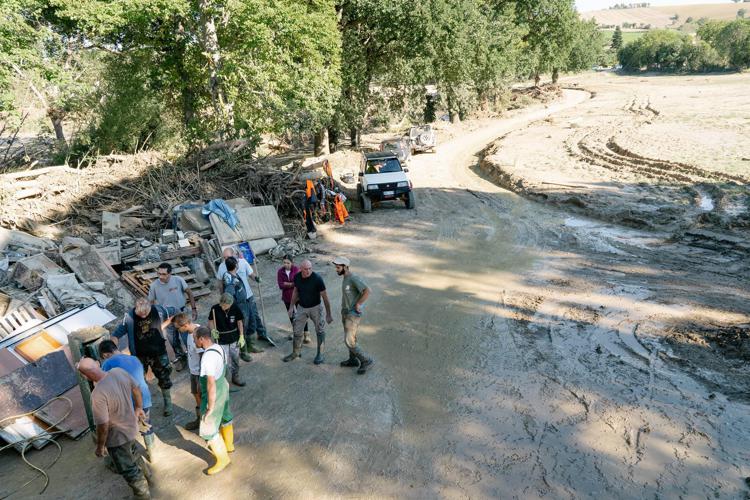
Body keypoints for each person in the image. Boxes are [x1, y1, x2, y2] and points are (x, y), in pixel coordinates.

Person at [78, 358, 150, 499]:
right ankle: (149, 477)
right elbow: (136, 389)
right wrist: (139, 407)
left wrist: (100, 446)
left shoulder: (97, 395)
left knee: (129, 469)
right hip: (131, 428)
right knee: (135, 455)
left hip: (117, 439)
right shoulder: (118, 372)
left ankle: (143, 495)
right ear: (98, 364)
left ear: (86, 376)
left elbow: (103, 425)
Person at [112, 297, 176, 416]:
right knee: (138, 381)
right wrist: (114, 351)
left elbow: (175, 312)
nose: (144, 316)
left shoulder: (159, 310)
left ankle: (168, 402)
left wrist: (165, 325)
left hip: (159, 353)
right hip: (139, 357)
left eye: (146, 313)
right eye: (141, 314)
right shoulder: (129, 317)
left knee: (164, 377)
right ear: (136, 308)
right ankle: (143, 406)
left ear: (150, 307)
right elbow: (116, 334)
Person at [98, 340, 156, 460]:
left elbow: (102, 383)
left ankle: (134, 455)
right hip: (144, 397)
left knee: (127, 430)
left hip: (128, 402)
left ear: (105, 355)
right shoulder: (134, 358)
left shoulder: (108, 364)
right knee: (146, 423)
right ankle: (151, 451)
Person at [217, 248, 275, 354]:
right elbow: (221, 284)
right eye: (224, 257)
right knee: (243, 323)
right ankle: (243, 349)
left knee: (254, 317)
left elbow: (251, 274)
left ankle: (258, 336)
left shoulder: (242, 263)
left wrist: (256, 278)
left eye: (227, 257)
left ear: (234, 255)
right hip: (237, 301)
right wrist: (223, 299)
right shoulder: (223, 269)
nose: (225, 260)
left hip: (248, 296)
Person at [193, 326, 233, 475]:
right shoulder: (218, 347)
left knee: (208, 428)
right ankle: (229, 445)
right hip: (223, 387)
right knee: (225, 416)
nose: (194, 341)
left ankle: (223, 459)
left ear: (202, 339)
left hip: (214, 393)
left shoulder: (207, 358)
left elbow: (210, 384)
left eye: (195, 339)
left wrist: (210, 407)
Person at [148, 262, 197, 372]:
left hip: (182, 314)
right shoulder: (154, 285)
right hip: (167, 317)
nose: (161, 276)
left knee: (187, 338)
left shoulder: (178, 280)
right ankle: (182, 358)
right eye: (159, 274)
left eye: (164, 274)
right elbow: (151, 303)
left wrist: (193, 308)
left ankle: (194, 358)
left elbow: (189, 292)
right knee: (173, 341)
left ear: (170, 273)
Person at [282, 259, 333, 365]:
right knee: (297, 330)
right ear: (301, 269)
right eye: (306, 269)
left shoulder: (317, 279)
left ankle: (320, 354)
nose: (308, 271)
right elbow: (295, 292)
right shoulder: (297, 277)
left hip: (316, 307)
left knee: (320, 331)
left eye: (310, 268)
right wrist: (291, 307)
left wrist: (328, 314)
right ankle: (296, 352)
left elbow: (325, 297)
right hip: (302, 307)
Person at [332, 256, 374, 375]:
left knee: (349, 340)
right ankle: (352, 360)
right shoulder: (345, 278)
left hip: (353, 314)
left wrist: (359, 304)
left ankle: (366, 360)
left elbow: (367, 290)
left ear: (345, 267)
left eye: (338, 267)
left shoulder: (353, 278)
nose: (336, 269)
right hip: (346, 312)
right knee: (351, 337)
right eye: (336, 267)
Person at [172, 313, 204, 431]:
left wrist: (202, 377)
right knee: (196, 394)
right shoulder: (190, 333)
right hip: (193, 371)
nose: (178, 330)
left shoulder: (198, 334)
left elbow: (203, 356)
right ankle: (200, 418)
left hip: (199, 373)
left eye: (178, 328)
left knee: (202, 396)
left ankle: (205, 422)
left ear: (185, 325)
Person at [208, 293, 246, 387]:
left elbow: (239, 322)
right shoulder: (215, 309)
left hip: (234, 338)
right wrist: (213, 330)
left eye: (226, 305)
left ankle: (235, 377)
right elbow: (210, 321)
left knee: (235, 359)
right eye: (222, 304)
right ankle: (223, 382)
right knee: (223, 361)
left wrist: (241, 336)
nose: (223, 307)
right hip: (221, 339)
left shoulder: (235, 308)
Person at [276, 254, 309, 343]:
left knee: (302, 315)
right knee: (291, 316)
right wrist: (292, 284)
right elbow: (280, 285)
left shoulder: (297, 270)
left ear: (292, 262)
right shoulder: (280, 272)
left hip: (298, 296)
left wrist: (287, 284)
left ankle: (306, 334)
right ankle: (297, 333)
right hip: (287, 297)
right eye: (284, 263)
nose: (286, 265)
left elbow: (299, 283)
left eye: (288, 263)